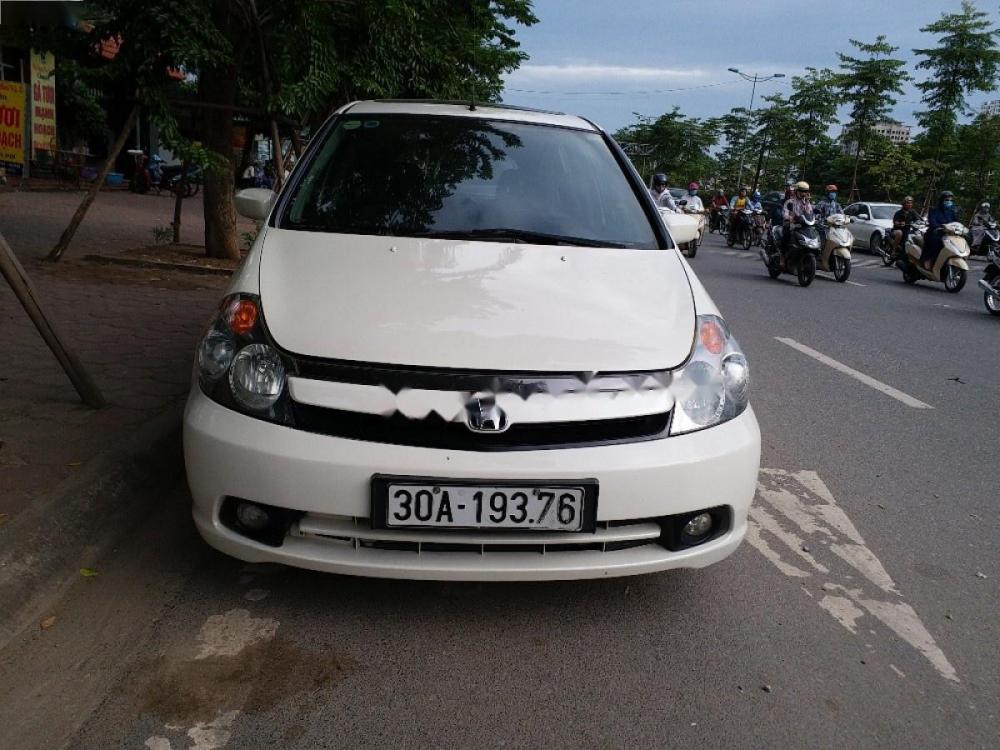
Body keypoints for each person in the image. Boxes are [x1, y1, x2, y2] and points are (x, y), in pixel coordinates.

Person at [922, 190, 959, 270]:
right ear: (942, 200)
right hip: (935, 232)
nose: (949, 202)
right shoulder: (934, 210)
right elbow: (932, 220)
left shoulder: (952, 211)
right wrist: (938, 227)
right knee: (936, 241)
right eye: (947, 200)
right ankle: (928, 259)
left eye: (950, 200)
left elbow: (956, 222)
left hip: (949, 234)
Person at [781, 181, 815, 253]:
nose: (804, 193)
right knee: (786, 235)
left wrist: (807, 203)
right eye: (802, 191)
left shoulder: (806, 203)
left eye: (805, 191)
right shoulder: (789, 202)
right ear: (796, 191)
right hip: (791, 224)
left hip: (803, 224)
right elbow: (785, 214)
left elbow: (810, 213)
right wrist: (790, 218)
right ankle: (782, 255)